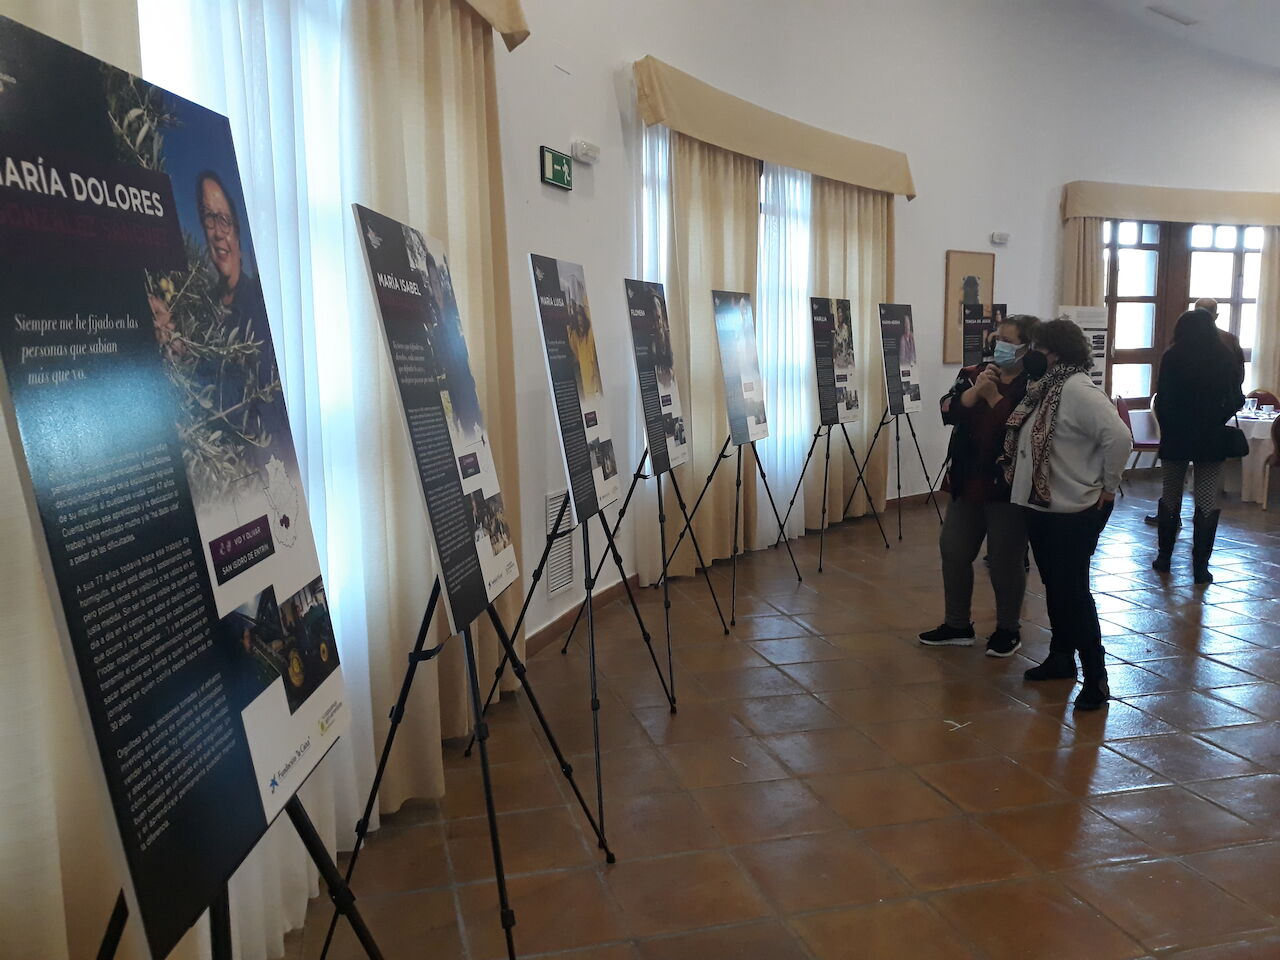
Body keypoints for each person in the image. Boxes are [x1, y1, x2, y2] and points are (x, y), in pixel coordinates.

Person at [1003, 319, 1131, 710]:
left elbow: (1120, 437)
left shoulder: (1076, 389)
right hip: (1043, 505)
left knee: (1073, 591)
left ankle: (1096, 677)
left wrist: (1108, 487)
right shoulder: (1043, 388)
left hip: (1071, 509)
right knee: (1057, 587)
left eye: (1037, 348)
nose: (1029, 355)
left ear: (1054, 353)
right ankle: (1061, 657)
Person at [920, 313, 1039, 656]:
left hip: (1007, 486)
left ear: (1026, 348)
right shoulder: (974, 374)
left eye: (1008, 340)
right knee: (954, 550)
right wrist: (978, 393)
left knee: (1005, 560)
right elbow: (948, 409)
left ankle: (1007, 629)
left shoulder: (1033, 384)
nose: (999, 346)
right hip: (967, 479)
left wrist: (991, 398)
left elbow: (1018, 427)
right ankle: (957, 624)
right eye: (997, 338)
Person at [1151, 308, 1245, 584]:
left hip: (1177, 435)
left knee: (1171, 495)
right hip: (1211, 436)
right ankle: (1200, 567)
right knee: (1206, 499)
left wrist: (1170, 425)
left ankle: (1164, 558)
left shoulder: (1173, 356)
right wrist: (1217, 417)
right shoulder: (1224, 356)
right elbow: (1237, 398)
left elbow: (1162, 398)